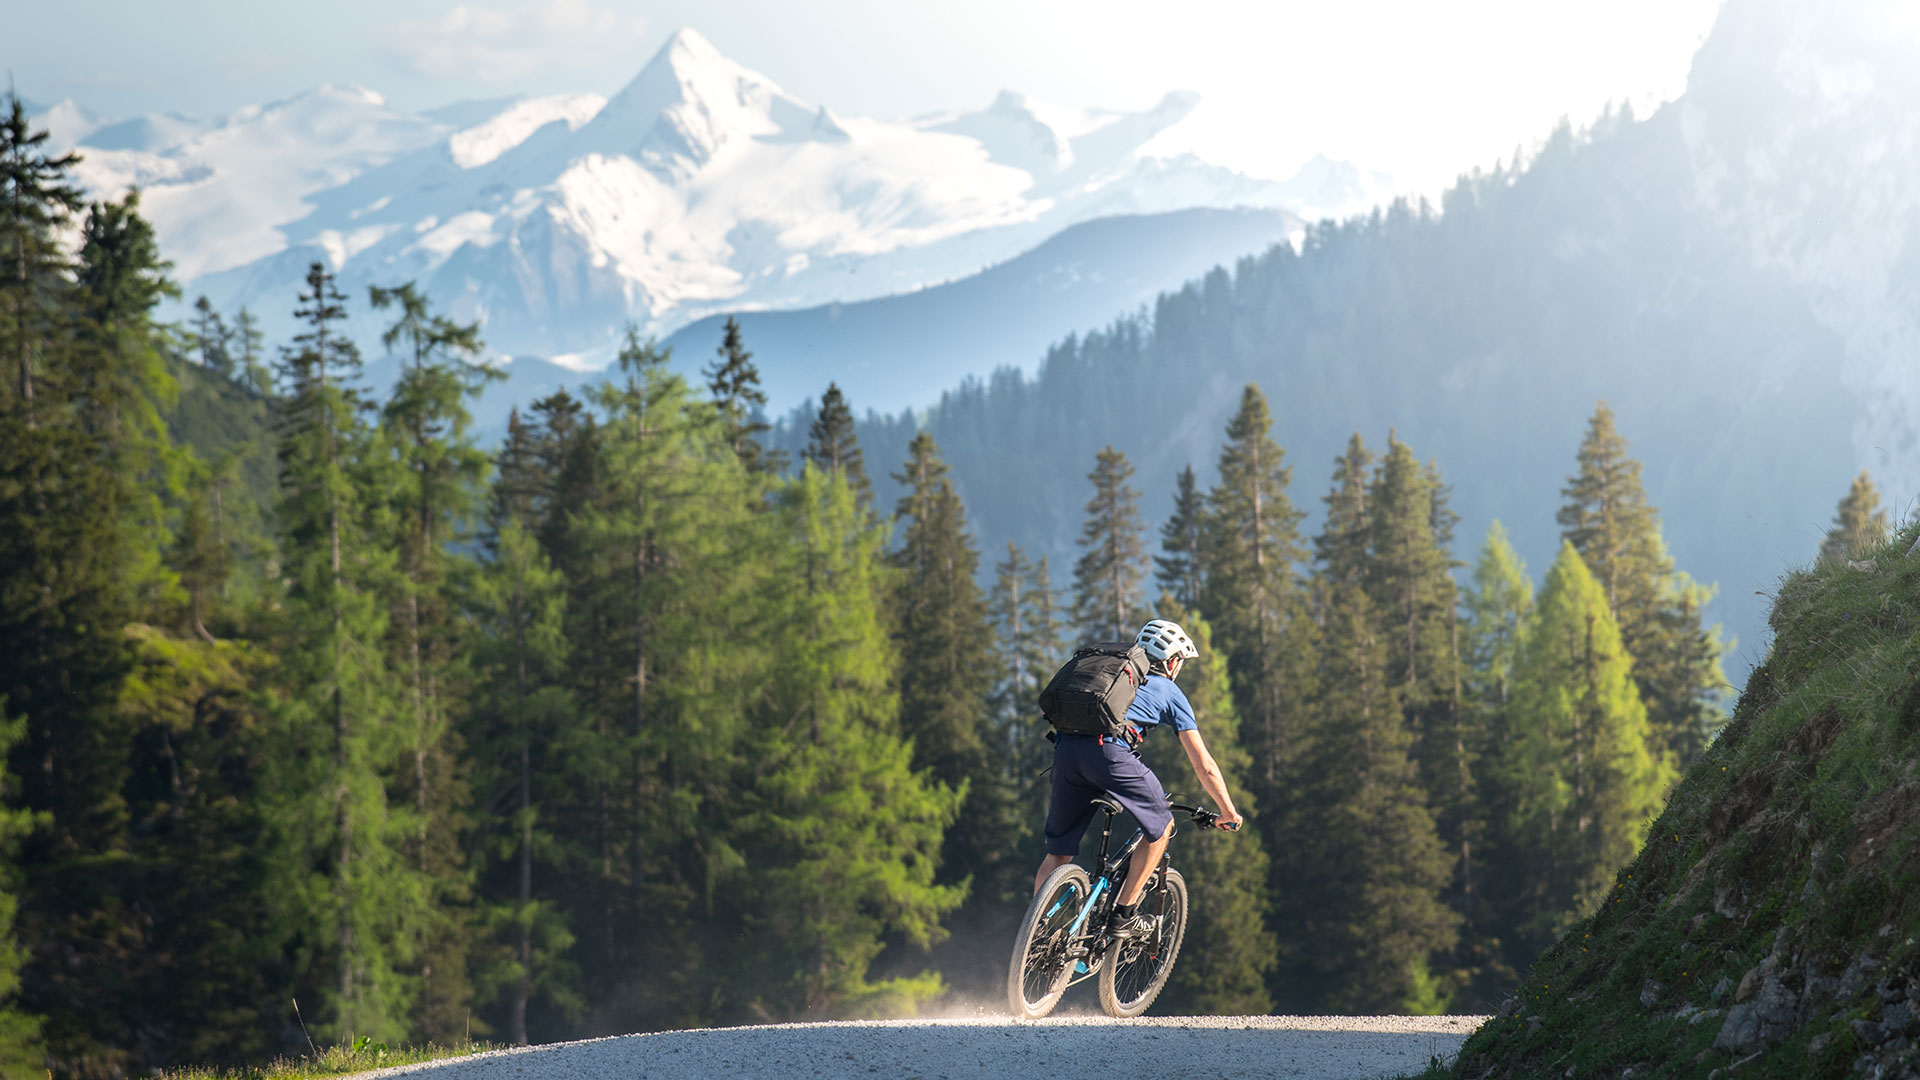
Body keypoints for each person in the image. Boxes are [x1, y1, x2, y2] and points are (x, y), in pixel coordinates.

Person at [1033, 618, 1244, 937]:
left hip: (1065, 751)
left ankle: (1034, 932)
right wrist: (1227, 810)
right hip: (1107, 755)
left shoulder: (1115, 675)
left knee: (1059, 851)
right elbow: (1204, 765)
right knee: (1161, 828)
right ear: (1173, 661)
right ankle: (1123, 916)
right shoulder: (1170, 691)